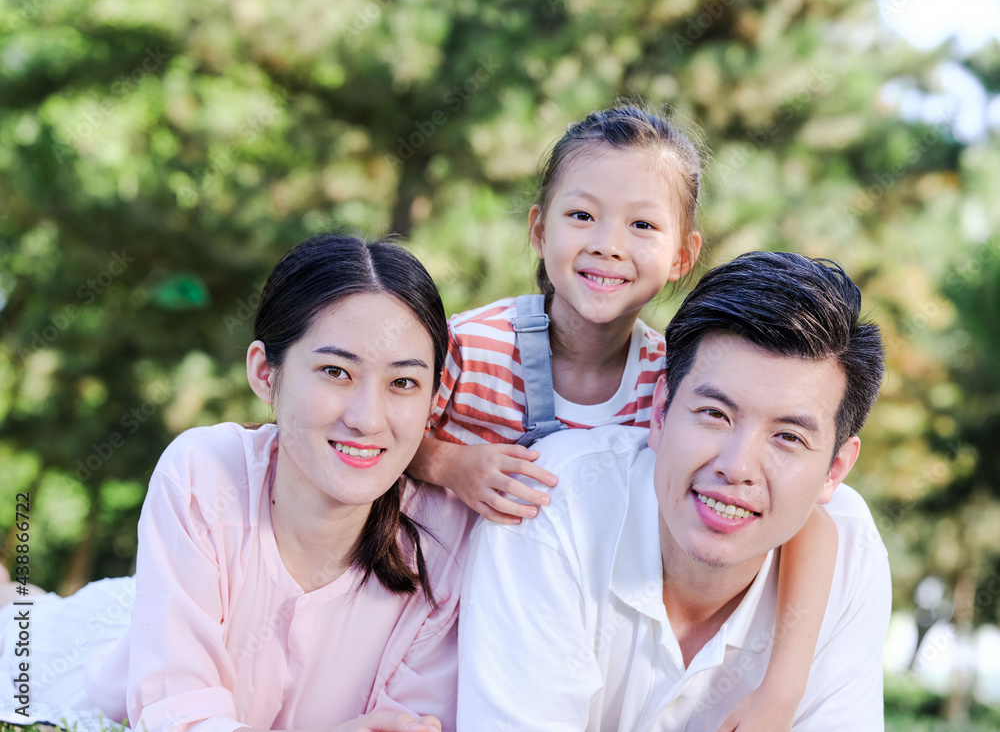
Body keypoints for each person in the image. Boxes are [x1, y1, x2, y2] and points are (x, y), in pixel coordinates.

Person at [408, 104, 840, 730]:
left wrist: (782, 687)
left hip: (555, 634)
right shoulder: (468, 347)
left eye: (642, 224)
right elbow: (377, 437)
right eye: (581, 216)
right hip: (427, 617)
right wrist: (448, 461)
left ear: (681, 256)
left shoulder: (675, 386)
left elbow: (817, 523)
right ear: (539, 229)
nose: (607, 245)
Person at [0, 233, 475, 732]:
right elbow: (177, 716)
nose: (367, 418)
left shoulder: (446, 537)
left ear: (432, 397)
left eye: (403, 382)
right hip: (113, 656)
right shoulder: (204, 473)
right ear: (264, 372)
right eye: (336, 371)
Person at [457, 251, 892, 730]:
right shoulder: (548, 504)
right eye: (714, 414)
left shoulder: (851, 553)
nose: (737, 467)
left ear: (835, 469)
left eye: (788, 437)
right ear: (660, 410)